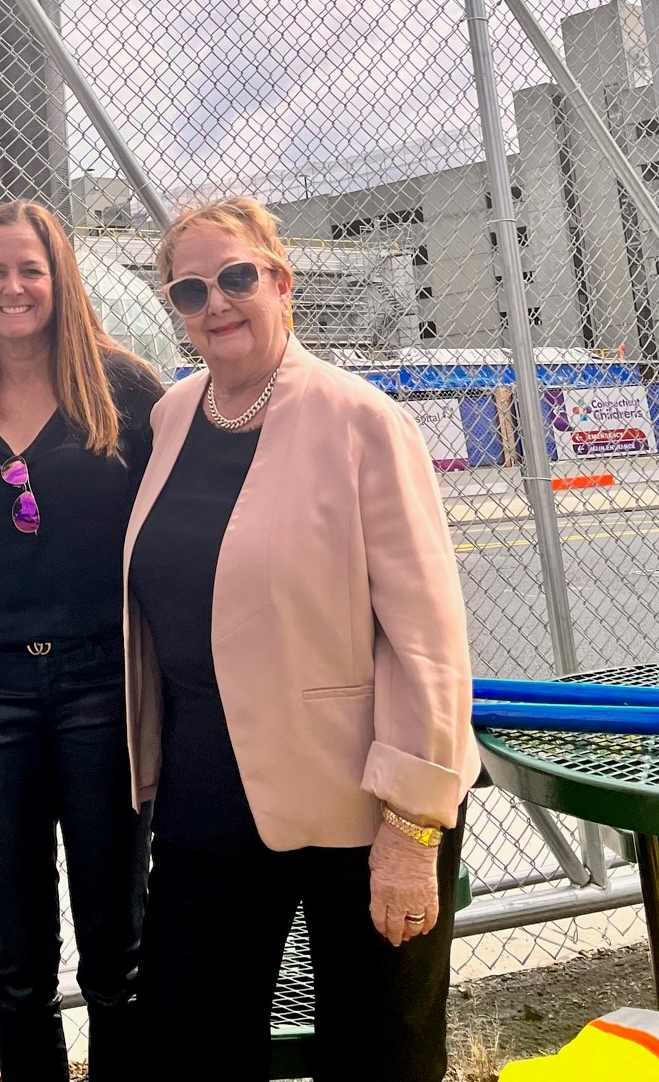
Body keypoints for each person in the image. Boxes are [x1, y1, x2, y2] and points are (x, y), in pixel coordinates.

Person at [123, 197, 481, 1080]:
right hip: (207, 794)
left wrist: (413, 828)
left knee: (378, 1052)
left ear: (282, 282)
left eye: (238, 277)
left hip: (354, 803)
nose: (218, 303)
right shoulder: (172, 417)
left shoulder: (361, 420)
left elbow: (427, 638)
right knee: (187, 1041)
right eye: (191, 289)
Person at [0, 202, 161, 1081]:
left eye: (31, 269)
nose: (14, 287)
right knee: (18, 957)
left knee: (117, 947)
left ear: (60, 279)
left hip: (104, 686)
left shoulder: (126, 389)